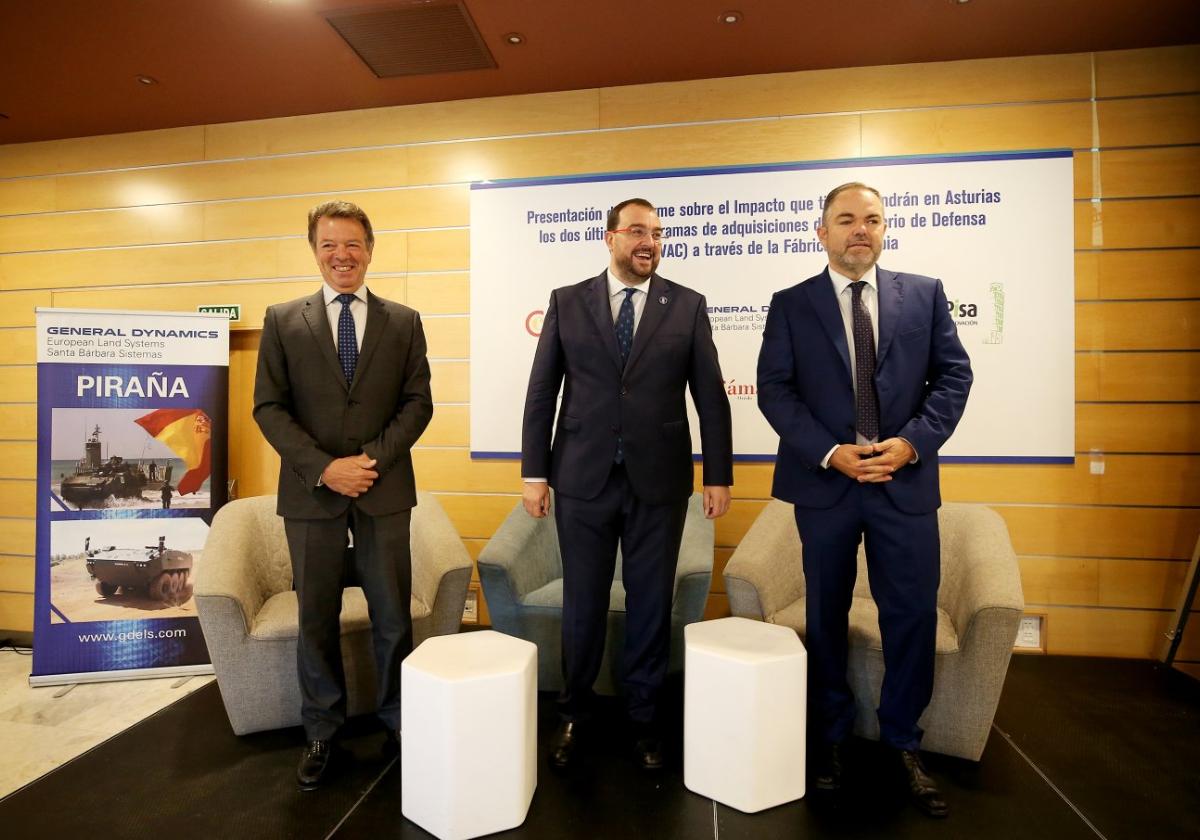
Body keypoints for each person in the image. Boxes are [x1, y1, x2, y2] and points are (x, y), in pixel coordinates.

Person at [756, 182, 972, 818]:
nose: (860, 230)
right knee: (824, 615)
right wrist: (830, 451)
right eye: (846, 220)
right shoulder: (790, 303)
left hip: (902, 485)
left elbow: (954, 375)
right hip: (826, 485)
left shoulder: (924, 294)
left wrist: (910, 445)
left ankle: (904, 741)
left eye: (872, 220)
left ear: (884, 230)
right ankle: (829, 739)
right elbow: (775, 390)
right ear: (821, 231)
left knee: (910, 616)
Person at [521, 197, 733, 771]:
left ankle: (644, 718)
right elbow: (543, 392)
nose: (649, 242)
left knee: (649, 604)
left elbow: (710, 397)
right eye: (637, 231)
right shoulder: (567, 303)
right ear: (610, 237)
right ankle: (573, 711)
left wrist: (718, 475)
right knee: (582, 604)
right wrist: (534, 472)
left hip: (658, 483)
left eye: (657, 234)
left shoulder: (686, 306)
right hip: (582, 480)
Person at [253, 200, 433, 791]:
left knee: (391, 617)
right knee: (316, 619)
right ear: (314, 251)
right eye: (329, 245)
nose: (342, 256)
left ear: (370, 249)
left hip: (383, 491)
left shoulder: (403, 321)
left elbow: (418, 404)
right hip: (311, 495)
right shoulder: (282, 320)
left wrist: (369, 462)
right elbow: (269, 409)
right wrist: (326, 469)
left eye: (352, 244)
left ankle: (399, 722)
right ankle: (321, 732)